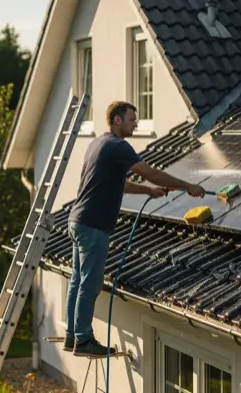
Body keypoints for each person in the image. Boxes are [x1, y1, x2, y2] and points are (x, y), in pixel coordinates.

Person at [63, 100, 205, 358]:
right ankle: (83, 341)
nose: (136, 123)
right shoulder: (119, 146)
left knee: (77, 281)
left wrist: (148, 192)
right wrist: (188, 186)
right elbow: (153, 173)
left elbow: (120, 184)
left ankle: (72, 335)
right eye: (132, 119)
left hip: (77, 220)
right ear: (117, 120)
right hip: (93, 225)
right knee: (90, 284)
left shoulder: (98, 144)